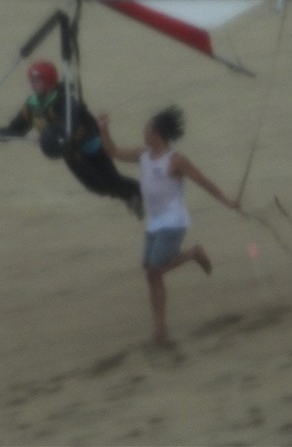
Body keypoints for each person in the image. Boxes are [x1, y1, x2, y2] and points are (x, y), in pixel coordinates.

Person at [97, 106, 240, 343]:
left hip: (174, 220)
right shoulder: (143, 155)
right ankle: (192, 257)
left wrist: (226, 201)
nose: (144, 132)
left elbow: (202, 181)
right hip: (154, 222)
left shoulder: (176, 161)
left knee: (154, 270)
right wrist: (104, 129)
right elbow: (112, 152)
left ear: (157, 134)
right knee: (151, 274)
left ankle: (160, 328)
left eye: (147, 129)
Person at [0, 60, 143, 218]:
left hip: (90, 147)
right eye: (32, 81)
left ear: (48, 81)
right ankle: (130, 197)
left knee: (111, 180)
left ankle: (141, 192)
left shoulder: (64, 101)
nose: (33, 84)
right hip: (71, 154)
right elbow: (17, 127)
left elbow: (68, 126)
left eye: (37, 80)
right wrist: (1, 134)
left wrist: (46, 136)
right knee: (96, 187)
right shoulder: (31, 105)